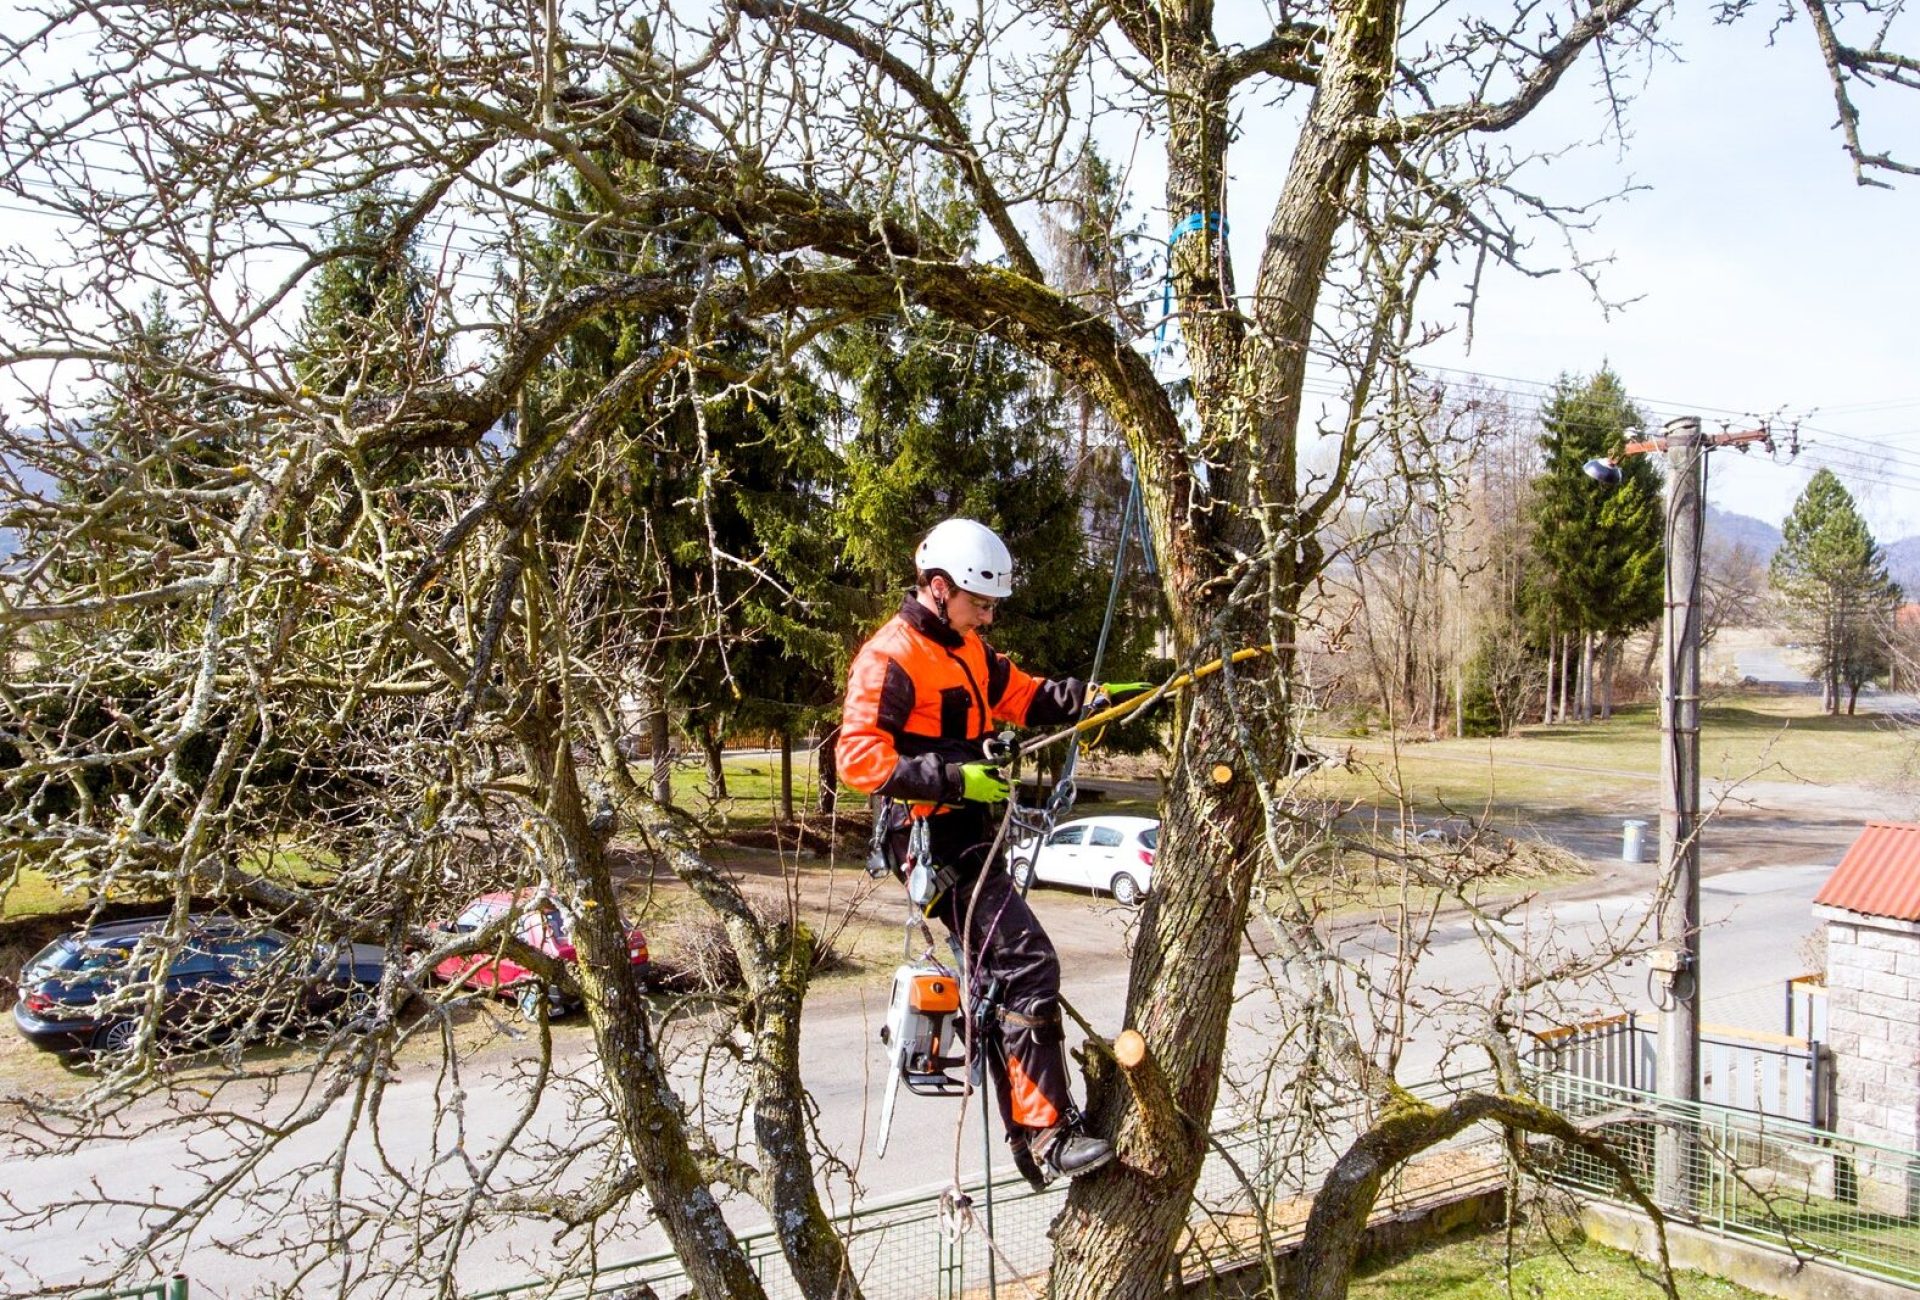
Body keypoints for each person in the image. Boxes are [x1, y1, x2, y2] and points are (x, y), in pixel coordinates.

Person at [838, 518, 1116, 1185]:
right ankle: (1046, 1135)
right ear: (939, 588)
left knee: (1001, 981)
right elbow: (857, 757)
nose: (988, 617)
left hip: (973, 833)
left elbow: (1020, 693)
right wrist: (954, 778)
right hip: (931, 837)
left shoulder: (966, 649)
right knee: (1026, 963)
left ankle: (1033, 1133)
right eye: (979, 602)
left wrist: (1086, 700)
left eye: (992, 606)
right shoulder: (891, 656)